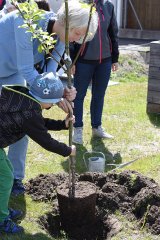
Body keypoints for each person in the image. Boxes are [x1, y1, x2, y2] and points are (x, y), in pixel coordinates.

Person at [0, 0, 98, 194]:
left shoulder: (61, 38)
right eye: (77, 34)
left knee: (22, 119)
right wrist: (55, 95)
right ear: (67, 21)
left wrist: (60, 91)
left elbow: (50, 74)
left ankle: (15, 179)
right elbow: (27, 69)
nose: (77, 41)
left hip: (12, 72)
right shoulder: (27, 22)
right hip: (13, 67)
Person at [0, 72, 76, 234]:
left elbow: (38, 124)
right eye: (54, 103)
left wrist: (62, 124)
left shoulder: (26, 101)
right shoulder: (30, 112)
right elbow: (45, 140)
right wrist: (68, 150)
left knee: (7, 171)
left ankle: (2, 209)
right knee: (6, 178)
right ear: (48, 101)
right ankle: (1, 220)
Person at [71, 0, 119, 144]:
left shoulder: (108, 6)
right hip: (83, 60)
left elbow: (113, 33)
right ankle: (77, 129)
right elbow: (70, 35)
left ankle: (97, 127)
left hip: (104, 60)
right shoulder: (79, 5)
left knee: (99, 95)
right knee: (78, 96)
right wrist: (71, 61)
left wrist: (114, 58)